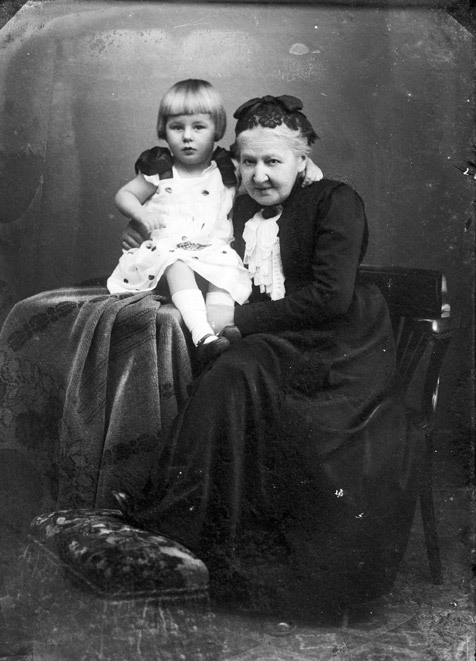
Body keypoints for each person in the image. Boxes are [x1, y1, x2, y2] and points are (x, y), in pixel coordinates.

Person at [115, 94, 421, 614]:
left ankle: (171, 519)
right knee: (223, 370)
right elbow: (192, 240)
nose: (258, 175)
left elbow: (330, 298)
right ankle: (176, 523)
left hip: (341, 347)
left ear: (302, 160)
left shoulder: (336, 200)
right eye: (248, 161)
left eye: (273, 161)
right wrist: (144, 232)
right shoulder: (239, 206)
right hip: (283, 338)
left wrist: (242, 322)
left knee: (236, 373)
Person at [107, 79, 323, 367]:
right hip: (167, 252)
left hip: (211, 251)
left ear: (216, 130)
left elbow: (271, 155)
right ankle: (201, 333)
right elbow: (125, 195)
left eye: (198, 127)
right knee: (178, 262)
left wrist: (307, 164)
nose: (187, 137)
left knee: (226, 273)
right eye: (177, 127)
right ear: (163, 130)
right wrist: (140, 215)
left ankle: (219, 332)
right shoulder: (160, 169)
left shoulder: (226, 167)